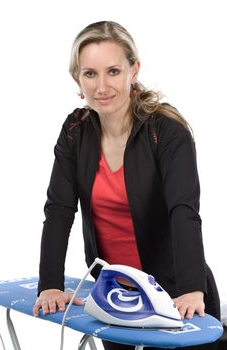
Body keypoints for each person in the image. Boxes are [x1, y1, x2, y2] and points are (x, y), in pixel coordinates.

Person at [33, 21, 220, 349]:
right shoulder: (76, 131)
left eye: (113, 71)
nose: (102, 86)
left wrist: (192, 289)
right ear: (78, 79)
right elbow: (59, 209)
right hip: (117, 297)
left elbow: (184, 211)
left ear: (134, 69)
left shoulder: (166, 131)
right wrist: (49, 284)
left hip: (176, 293)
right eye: (90, 73)